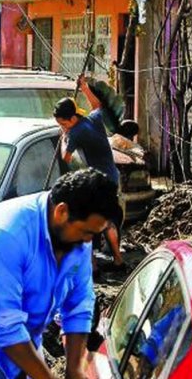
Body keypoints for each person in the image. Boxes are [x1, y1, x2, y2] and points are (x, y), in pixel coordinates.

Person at [0, 168, 123, 379]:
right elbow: (3, 324)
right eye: (87, 232)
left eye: (94, 235)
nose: (88, 242)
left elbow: (78, 305)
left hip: (23, 336)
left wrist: (74, 369)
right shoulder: (6, 234)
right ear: (61, 212)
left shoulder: (77, 237)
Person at [52, 77, 125, 272]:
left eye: (62, 123)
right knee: (107, 219)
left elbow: (66, 158)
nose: (62, 125)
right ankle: (118, 260)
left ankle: (92, 266)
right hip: (112, 176)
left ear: (71, 119)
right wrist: (84, 88)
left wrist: (63, 137)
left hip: (97, 183)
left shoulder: (75, 133)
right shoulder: (93, 119)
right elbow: (97, 104)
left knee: (89, 220)